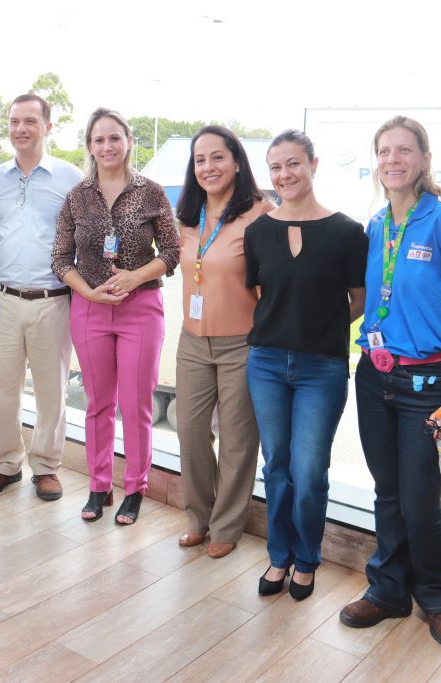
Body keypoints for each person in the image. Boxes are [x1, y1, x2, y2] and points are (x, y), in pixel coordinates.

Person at [340, 116, 441, 648]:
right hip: (374, 378)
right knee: (388, 493)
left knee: (421, 500)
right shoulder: (377, 225)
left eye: (404, 150)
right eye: (384, 151)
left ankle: (440, 597)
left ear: (424, 159)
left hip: (429, 382)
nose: (393, 159)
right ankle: (389, 591)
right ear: (376, 161)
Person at [244, 129, 367, 599]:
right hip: (267, 364)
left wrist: (319, 327)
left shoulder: (347, 233)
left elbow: (358, 299)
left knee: (310, 471)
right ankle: (279, 556)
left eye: (293, 163)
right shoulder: (259, 232)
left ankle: (307, 559)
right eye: (275, 167)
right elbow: (262, 294)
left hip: (323, 368)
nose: (284, 174)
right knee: (276, 465)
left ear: (314, 165)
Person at [52, 107, 179, 525]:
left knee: (136, 405)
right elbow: (60, 258)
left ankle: (135, 488)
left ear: (129, 141)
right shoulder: (77, 196)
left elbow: (172, 252)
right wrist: (89, 292)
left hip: (140, 308)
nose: (106, 146)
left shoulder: (151, 192)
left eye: (114, 138)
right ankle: (99, 485)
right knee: (98, 404)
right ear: (90, 146)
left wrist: (135, 276)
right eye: (98, 139)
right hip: (89, 309)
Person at [0, 94, 82, 501]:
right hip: (2, 300)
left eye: (30, 121)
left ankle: (47, 466)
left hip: (54, 300)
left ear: (47, 127)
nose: (20, 129)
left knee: (52, 390)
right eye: (14, 121)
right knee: (2, 388)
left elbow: (83, 242)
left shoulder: (71, 178)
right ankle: (5, 464)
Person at [174, 126, 273, 558]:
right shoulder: (187, 216)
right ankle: (198, 517)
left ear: (236, 161)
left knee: (237, 440)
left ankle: (226, 526)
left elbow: (275, 284)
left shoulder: (261, 214)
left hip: (241, 345)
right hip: (192, 342)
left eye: (218, 157)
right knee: (190, 431)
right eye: (200, 160)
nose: (208, 167)